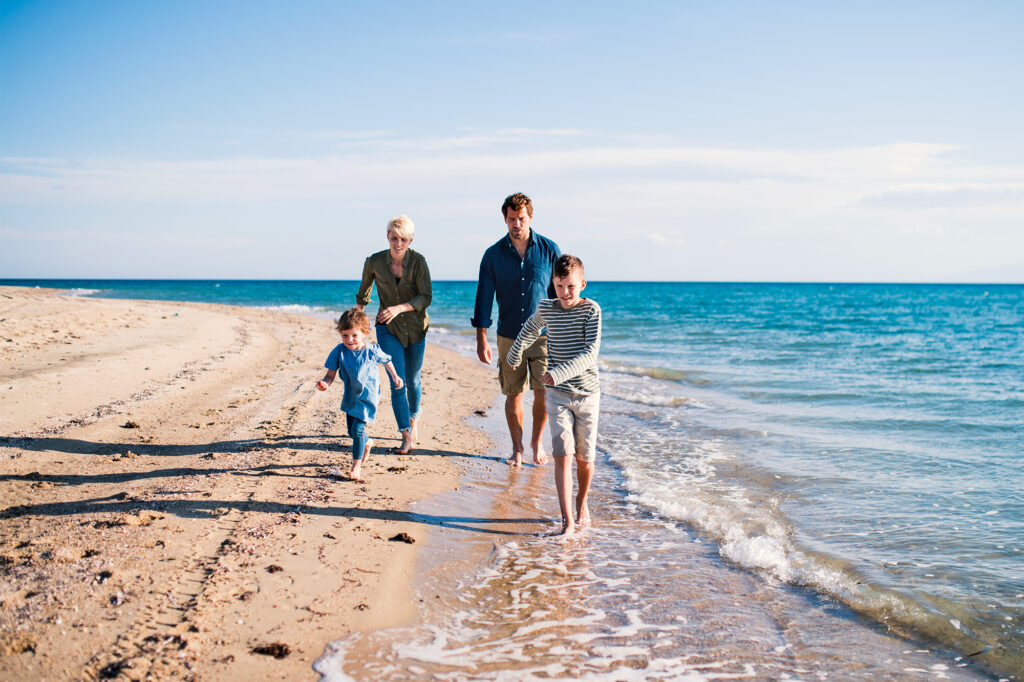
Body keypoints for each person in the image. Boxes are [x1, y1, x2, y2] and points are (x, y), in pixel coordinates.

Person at [506, 255, 601, 537]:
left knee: (585, 458)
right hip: (557, 394)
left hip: (587, 395)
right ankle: (567, 521)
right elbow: (529, 329)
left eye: (571, 286)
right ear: (553, 285)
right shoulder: (547, 308)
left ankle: (581, 503)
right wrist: (514, 353)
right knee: (562, 454)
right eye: (559, 286)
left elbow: (589, 353)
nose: (565, 293)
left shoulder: (591, 311)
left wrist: (557, 373)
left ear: (582, 284)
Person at [472, 193, 561, 467]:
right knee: (514, 394)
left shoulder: (549, 250)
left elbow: (561, 292)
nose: (516, 224)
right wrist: (481, 340)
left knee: (543, 392)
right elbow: (483, 299)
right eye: (511, 219)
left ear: (530, 217)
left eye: (521, 218)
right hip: (509, 336)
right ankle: (518, 448)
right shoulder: (493, 256)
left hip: (543, 337)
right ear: (505, 218)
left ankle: (537, 443)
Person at [356, 215, 432, 455]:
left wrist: (400, 308)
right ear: (387, 237)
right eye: (394, 238)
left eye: (403, 239)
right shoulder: (374, 262)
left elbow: (425, 296)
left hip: (416, 328)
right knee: (397, 380)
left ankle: (413, 418)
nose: (398, 244)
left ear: (410, 240)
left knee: (413, 380)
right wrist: (358, 320)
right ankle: (406, 435)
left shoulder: (419, 262)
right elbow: (363, 294)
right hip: (387, 328)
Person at [316, 308, 403, 482]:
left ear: (364, 333)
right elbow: (330, 374)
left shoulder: (372, 350)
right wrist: (325, 383)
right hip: (350, 396)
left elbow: (387, 361)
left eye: (354, 335)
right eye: (345, 335)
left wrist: (395, 376)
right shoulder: (339, 351)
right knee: (352, 431)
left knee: (357, 430)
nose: (349, 340)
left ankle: (356, 467)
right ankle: (367, 442)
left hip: (368, 397)